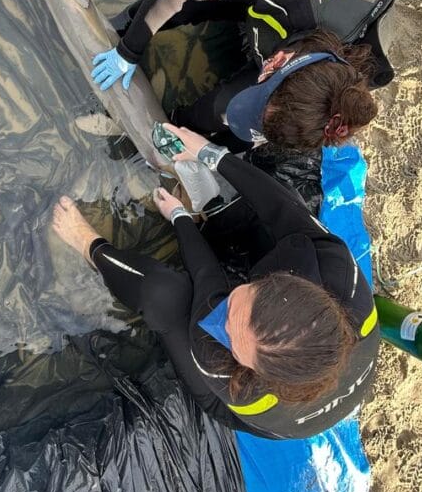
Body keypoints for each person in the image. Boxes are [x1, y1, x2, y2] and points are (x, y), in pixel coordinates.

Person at [52, 124, 379, 439]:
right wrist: (213, 155)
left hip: (234, 402)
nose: (225, 313)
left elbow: (207, 278)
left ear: (248, 365)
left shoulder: (230, 374)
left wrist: (181, 219)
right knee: (287, 227)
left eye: (231, 335)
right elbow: (282, 206)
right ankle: (216, 212)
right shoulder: (341, 275)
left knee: (162, 295)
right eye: (242, 295)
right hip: (326, 346)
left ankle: (87, 244)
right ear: (285, 281)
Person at [91, 0, 396, 151]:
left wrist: (207, 151)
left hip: (311, 48)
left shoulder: (316, 112)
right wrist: (128, 50)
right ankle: (120, 30)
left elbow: (258, 133)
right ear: (276, 60)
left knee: (216, 112)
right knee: (182, 4)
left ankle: (173, 124)